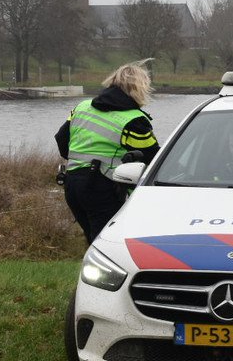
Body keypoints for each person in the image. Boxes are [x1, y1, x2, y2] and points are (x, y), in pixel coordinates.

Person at [55, 61, 159, 244]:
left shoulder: (82, 107)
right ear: (140, 88)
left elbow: (61, 141)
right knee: (106, 244)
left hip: (72, 184)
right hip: (102, 188)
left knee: (94, 241)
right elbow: (156, 160)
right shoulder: (134, 121)